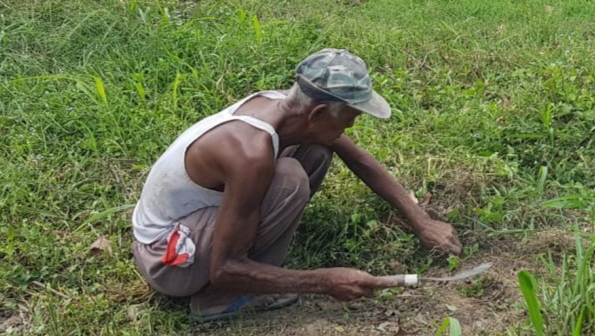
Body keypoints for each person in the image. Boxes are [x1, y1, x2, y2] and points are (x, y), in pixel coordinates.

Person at [131, 48, 462, 321]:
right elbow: (225, 267)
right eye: (351, 116)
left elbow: (359, 160)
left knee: (316, 153)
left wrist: (422, 221)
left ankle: (256, 261)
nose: (353, 123)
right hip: (169, 261)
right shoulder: (250, 154)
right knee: (289, 179)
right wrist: (324, 281)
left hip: (194, 228)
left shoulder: (283, 107)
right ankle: (219, 301)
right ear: (318, 112)